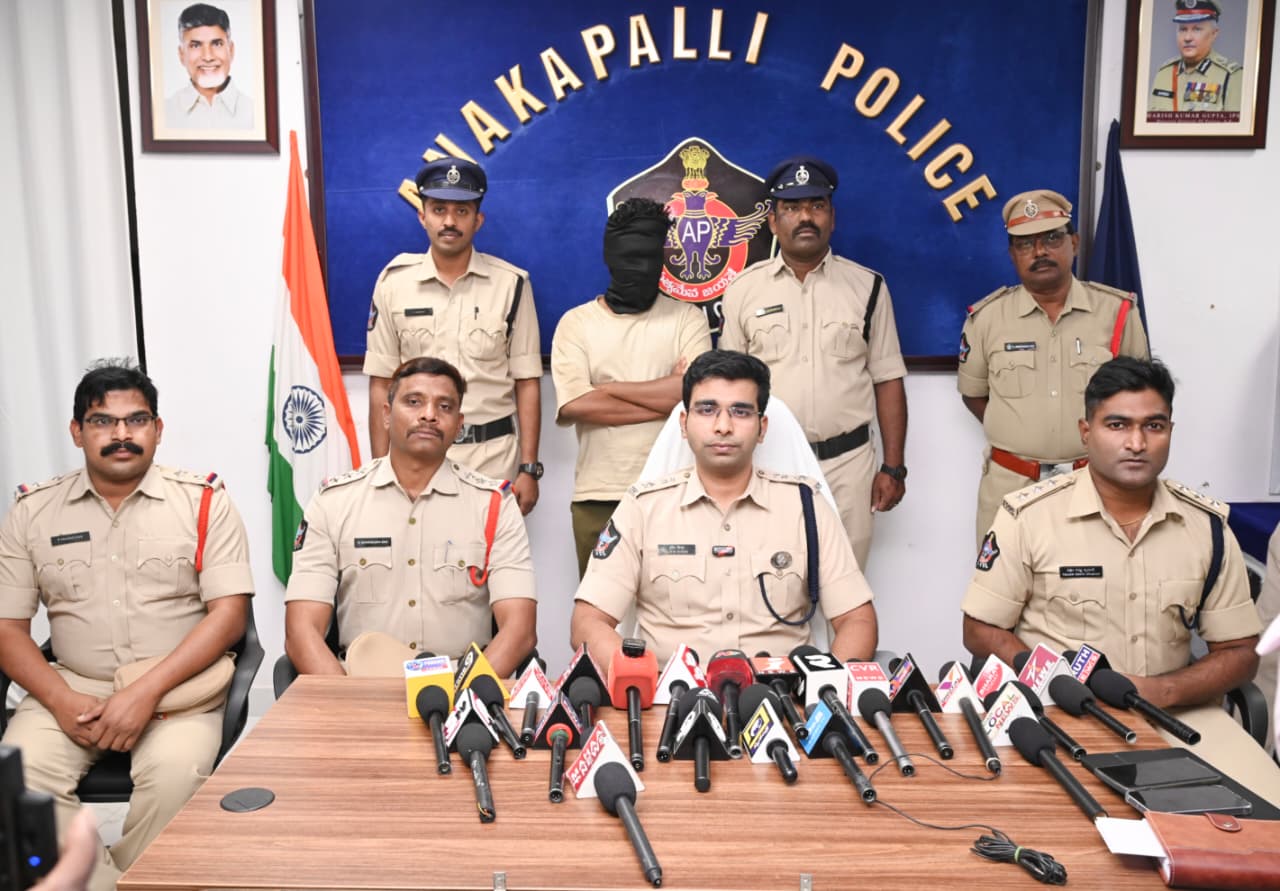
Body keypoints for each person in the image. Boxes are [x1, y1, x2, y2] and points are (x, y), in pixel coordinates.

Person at [961, 357, 1278, 800]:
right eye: (1117, 425)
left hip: (1179, 717)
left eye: (1154, 426)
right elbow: (979, 630)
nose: (1136, 443)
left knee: (1263, 819)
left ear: (1170, 431)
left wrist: (1162, 690)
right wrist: (1050, 680)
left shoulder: (1205, 527)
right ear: (1085, 432)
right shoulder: (1028, 517)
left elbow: (1240, 653)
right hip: (1062, 717)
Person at [0, 361, 253, 891]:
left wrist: (144, 692)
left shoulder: (204, 502)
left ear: (157, 429)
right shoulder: (32, 511)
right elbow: (7, 629)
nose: (121, 434)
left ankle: (117, 880)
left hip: (177, 692)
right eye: (102, 421)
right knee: (20, 780)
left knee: (177, 780)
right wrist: (62, 701)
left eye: (136, 420)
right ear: (77, 432)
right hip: (71, 688)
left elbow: (229, 616)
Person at [570, 350, 878, 673]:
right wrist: (640, 680)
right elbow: (587, 622)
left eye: (740, 412)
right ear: (684, 424)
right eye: (707, 410)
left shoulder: (806, 507)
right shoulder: (643, 508)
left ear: (762, 428)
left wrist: (824, 688)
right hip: (670, 695)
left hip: (780, 695)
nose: (723, 426)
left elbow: (857, 620)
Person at [285, 356, 536, 678]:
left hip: (460, 682)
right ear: (386, 415)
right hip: (361, 683)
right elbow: (301, 632)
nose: (429, 414)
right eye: (414, 402)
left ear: (459, 425)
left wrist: (463, 698)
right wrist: (347, 699)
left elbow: (519, 631)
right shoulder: (334, 502)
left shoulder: (494, 506)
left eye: (444, 406)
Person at [719, 156, 908, 569]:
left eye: (816, 206)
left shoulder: (868, 287)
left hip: (849, 466)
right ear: (773, 221)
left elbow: (888, 379)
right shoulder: (743, 290)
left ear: (832, 218)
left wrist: (894, 467)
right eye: (792, 207)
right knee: (770, 583)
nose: (806, 217)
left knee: (847, 584)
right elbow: (730, 388)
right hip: (769, 462)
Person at [958, 189, 1149, 545]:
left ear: (1074, 243)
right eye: (1025, 244)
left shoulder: (1117, 312)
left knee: (1094, 577)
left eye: (1051, 238)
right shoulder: (986, 319)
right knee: (1005, 580)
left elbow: (1141, 402)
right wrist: (1022, 431)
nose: (1040, 252)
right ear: (1013, 254)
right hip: (1010, 487)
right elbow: (974, 394)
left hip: (1095, 486)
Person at [364, 158, 543, 515]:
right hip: (413, 457)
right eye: (438, 210)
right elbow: (381, 382)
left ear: (478, 220)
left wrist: (528, 468)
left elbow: (527, 382)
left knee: (488, 551)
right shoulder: (393, 283)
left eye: (462, 211)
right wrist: (381, 467)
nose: (449, 221)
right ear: (422, 216)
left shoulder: (511, 285)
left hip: (491, 459)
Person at [552, 197, 712, 578]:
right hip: (598, 496)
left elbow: (696, 398)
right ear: (610, 258)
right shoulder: (576, 324)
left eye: (648, 258)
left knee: (678, 605)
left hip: (676, 492)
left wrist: (607, 389)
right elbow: (576, 405)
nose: (639, 269)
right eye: (629, 258)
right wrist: (669, 397)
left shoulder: (687, 319)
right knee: (599, 608)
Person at [163, 3, 254, 130]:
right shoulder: (164, 114)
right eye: (196, 45)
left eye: (217, 44)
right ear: (182, 54)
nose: (208, 57)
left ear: (231, 50)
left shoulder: (255, 112)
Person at [1148, 0, 1243, 115]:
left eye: (1197, 29)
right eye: (1183, 29)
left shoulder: (1231, 77)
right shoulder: (1164, 74)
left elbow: (1239, 126)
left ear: (1214, 33)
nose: (1187, 38)